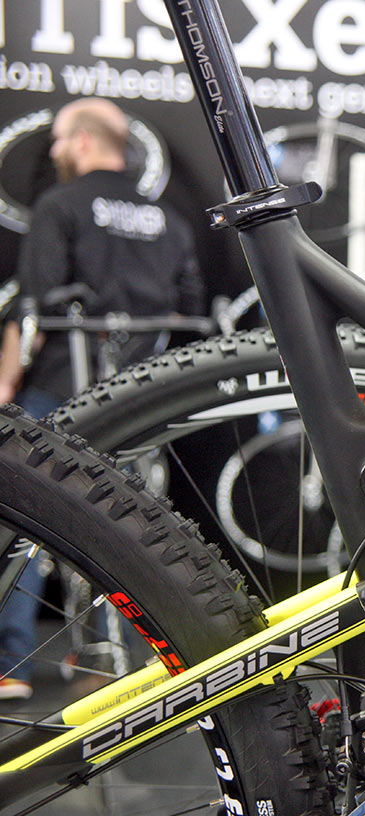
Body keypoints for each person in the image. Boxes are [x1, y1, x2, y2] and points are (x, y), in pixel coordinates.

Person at [0, 97, 205, 700]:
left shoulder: (60, 204)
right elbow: (190, 310)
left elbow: (34, 305)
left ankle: (10, 665)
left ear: (85, 142)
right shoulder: (169, 219)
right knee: (125, 527)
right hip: (142, 402)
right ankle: (113, 663)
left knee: (25, 520)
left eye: (61, 142)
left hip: (60, 391)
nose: (56, 153)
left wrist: (6, 383)